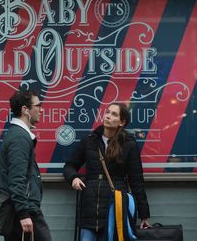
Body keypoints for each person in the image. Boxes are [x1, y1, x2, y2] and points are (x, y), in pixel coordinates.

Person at [63, 103, 151, 241]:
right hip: (89, 208)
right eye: (107, 112)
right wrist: (73, 178)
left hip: (115, 205)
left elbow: (136, 181)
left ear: (122, 122)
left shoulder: (129, 144)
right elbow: (69, 166)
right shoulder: (90, 141)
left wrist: (144, 214)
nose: (108, 116)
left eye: (114, 114)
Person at [0, 90, 52, 241]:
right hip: (23, 211)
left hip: (22, 210)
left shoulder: (19, 135)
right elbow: (16, 179)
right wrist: (23, 214)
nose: (41, 109)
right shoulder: (19, 138)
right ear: (25, 110)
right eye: (38, 105)